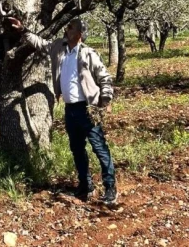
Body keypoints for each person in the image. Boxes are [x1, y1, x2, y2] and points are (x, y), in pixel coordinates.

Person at [9, 17, 117, 205]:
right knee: (76, 149)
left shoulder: (88, 54)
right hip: (70, 109)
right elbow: (41, 44)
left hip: (88, 109)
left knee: (99, 147)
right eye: (67, 26)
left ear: (80, 34)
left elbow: (105, 78)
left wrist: (105, 100)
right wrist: (23, 30)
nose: (66, 29)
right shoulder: (59, 48)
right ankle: (86, 186)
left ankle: (110, 187)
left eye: (71, 27)